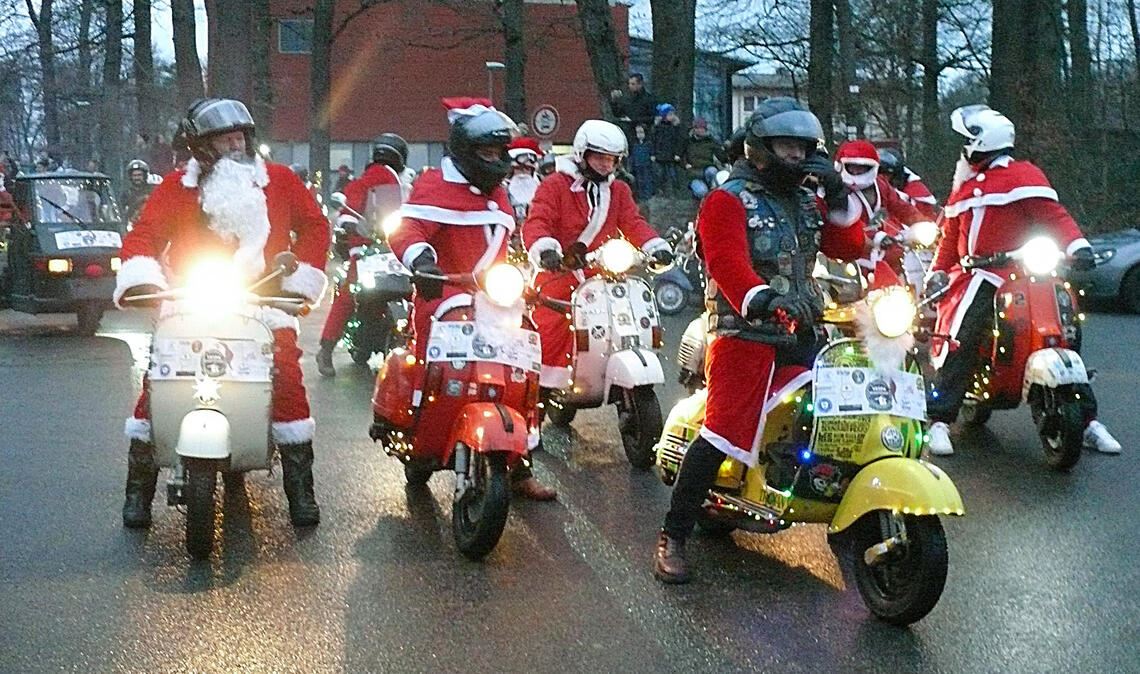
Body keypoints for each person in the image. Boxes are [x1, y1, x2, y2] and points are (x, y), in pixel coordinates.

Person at [653, 97, 865, 584]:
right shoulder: (726, 200)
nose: (796, 157)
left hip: (806, 325)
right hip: (743, 331)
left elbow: (849, 247)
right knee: (724, 429)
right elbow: (727, 264)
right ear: (760, 148)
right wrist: (763, 299)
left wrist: (837, 195)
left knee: (839, 414)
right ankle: (674, 534)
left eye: (804, 149)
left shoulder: (806, 201)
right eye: (787, 147)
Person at [114, 97, 331, 528]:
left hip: (264, 302)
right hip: (192, 299)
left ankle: (300, 490)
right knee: (156, 383)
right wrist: (143, 279)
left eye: (240, 138)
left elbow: (315, 227)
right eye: (224, 140)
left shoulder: (281, 181)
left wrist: (298, 277)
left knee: (286, 375)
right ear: (201, 148)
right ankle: (138, 490)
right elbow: (144, 235)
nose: (236, 147)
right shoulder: (177, 188)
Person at [925, 104, 1120, 455]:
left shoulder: (1024, 176)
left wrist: (1079, 247)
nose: (964, 147)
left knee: (1065, 329)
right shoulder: (964, 188)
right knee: (963, 334)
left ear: (982, 141)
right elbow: (951, 240)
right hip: (979, 274)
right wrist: (937, 271)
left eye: (968, 139)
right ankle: (940, 418)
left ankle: (1087, 420)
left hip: (1026, 273)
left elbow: (1054, 216)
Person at [387, 97, 556, 501]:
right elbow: (406, 230)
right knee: (439, 375)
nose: (495, 159)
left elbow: (504, 245)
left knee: (522, 374)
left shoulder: (497, 193)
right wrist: (422, 260)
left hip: (495, 299)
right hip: (442, 296)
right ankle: (422, 437)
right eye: (486, 152)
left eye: (499, 152)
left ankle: (521, 464)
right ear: (465, 151)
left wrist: (523, 276)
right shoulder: (433, 184)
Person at [523, 119, 673, 394]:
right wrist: (546, 250)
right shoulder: (556, 185)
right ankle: (540, 390)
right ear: (582, 154)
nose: (607, 165)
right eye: (600, 158)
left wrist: (654, 246)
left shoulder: (618, 191)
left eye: (612, 160)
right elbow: (538, 220)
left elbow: (633, 222)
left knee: (629, 316)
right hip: (560, 270)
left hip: (602, 273)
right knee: (552, 324)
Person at [315, 132, 410, 377]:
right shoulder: (368, 181)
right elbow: (348, 209)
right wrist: (349, 224)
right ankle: (326, 348)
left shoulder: (404, 185)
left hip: (394, 249)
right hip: (368, 250)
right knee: (350, 293)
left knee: (417, 289)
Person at [833, 139, 934, 272]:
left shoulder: (880, 185)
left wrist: (922, 224)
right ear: (841, 166)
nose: (857, 171)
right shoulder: (836, 191)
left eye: (862, 167)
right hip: (847, 259)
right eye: (852, 167)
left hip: (880, 255)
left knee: (903, 275)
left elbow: (901, 207)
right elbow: (847, 222)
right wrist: (876, 236)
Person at [877, 147, 938, 218]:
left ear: (896, 175)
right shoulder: (869, 187)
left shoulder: (914, 188)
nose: (881, 177)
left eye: (886, 174)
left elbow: (923, 214)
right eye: (879, 173)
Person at [610, 73, 656, 151]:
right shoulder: (628, 99)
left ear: (640, 84)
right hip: (627, 133)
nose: (630, 86)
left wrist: (633, 120)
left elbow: (652, 118)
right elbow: (618, 114)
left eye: (633, 84)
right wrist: (614, 102)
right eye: (629, 83)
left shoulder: (649, 99)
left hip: (642, 135)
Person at [681, 117, 724, 199]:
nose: (700, 130)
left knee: (712, 171)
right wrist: (685, 164)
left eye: (702, 128)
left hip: (707, 169)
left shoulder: (711, 141)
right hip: (694, 173)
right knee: (702, 192)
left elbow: (722, 156)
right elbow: (681, 155)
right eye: (698, 128)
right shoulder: (688, 141)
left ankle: (713, 190)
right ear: (694, 129)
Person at [505, 136, 543, 224]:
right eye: (518, 168)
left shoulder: (544, 189)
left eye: (527, 168)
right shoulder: (500, 190)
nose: (522, 173)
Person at [651, 104, 685, 197]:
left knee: (673, 175)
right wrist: (653, 153)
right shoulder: (658, 128)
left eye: (673, 114)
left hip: (672, 156)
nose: (672, 116)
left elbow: (679, 141)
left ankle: (675, 192)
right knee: (660, 175)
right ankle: (660, 191)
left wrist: (678, 153)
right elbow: (654, 141)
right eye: (670, 114)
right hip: (660, 155)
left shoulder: (675, 128)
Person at [119, 159, 155, 224]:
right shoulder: (126, 194)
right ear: (130, 177)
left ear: (145, 176)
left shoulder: (153, 190)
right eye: (134, 175)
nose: (137, 178)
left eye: (139, 175)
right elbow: (122, 213)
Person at [629, 124, 654, 201]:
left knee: (647, 180)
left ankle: (648, 196)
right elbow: (633, 155)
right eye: (638, 133)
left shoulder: (648, 144)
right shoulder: (635, 144)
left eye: (641, 132)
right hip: (637, 165)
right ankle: (641, 196)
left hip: (646, 165)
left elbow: (651, 153)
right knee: (639, 181)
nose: (639, 135)